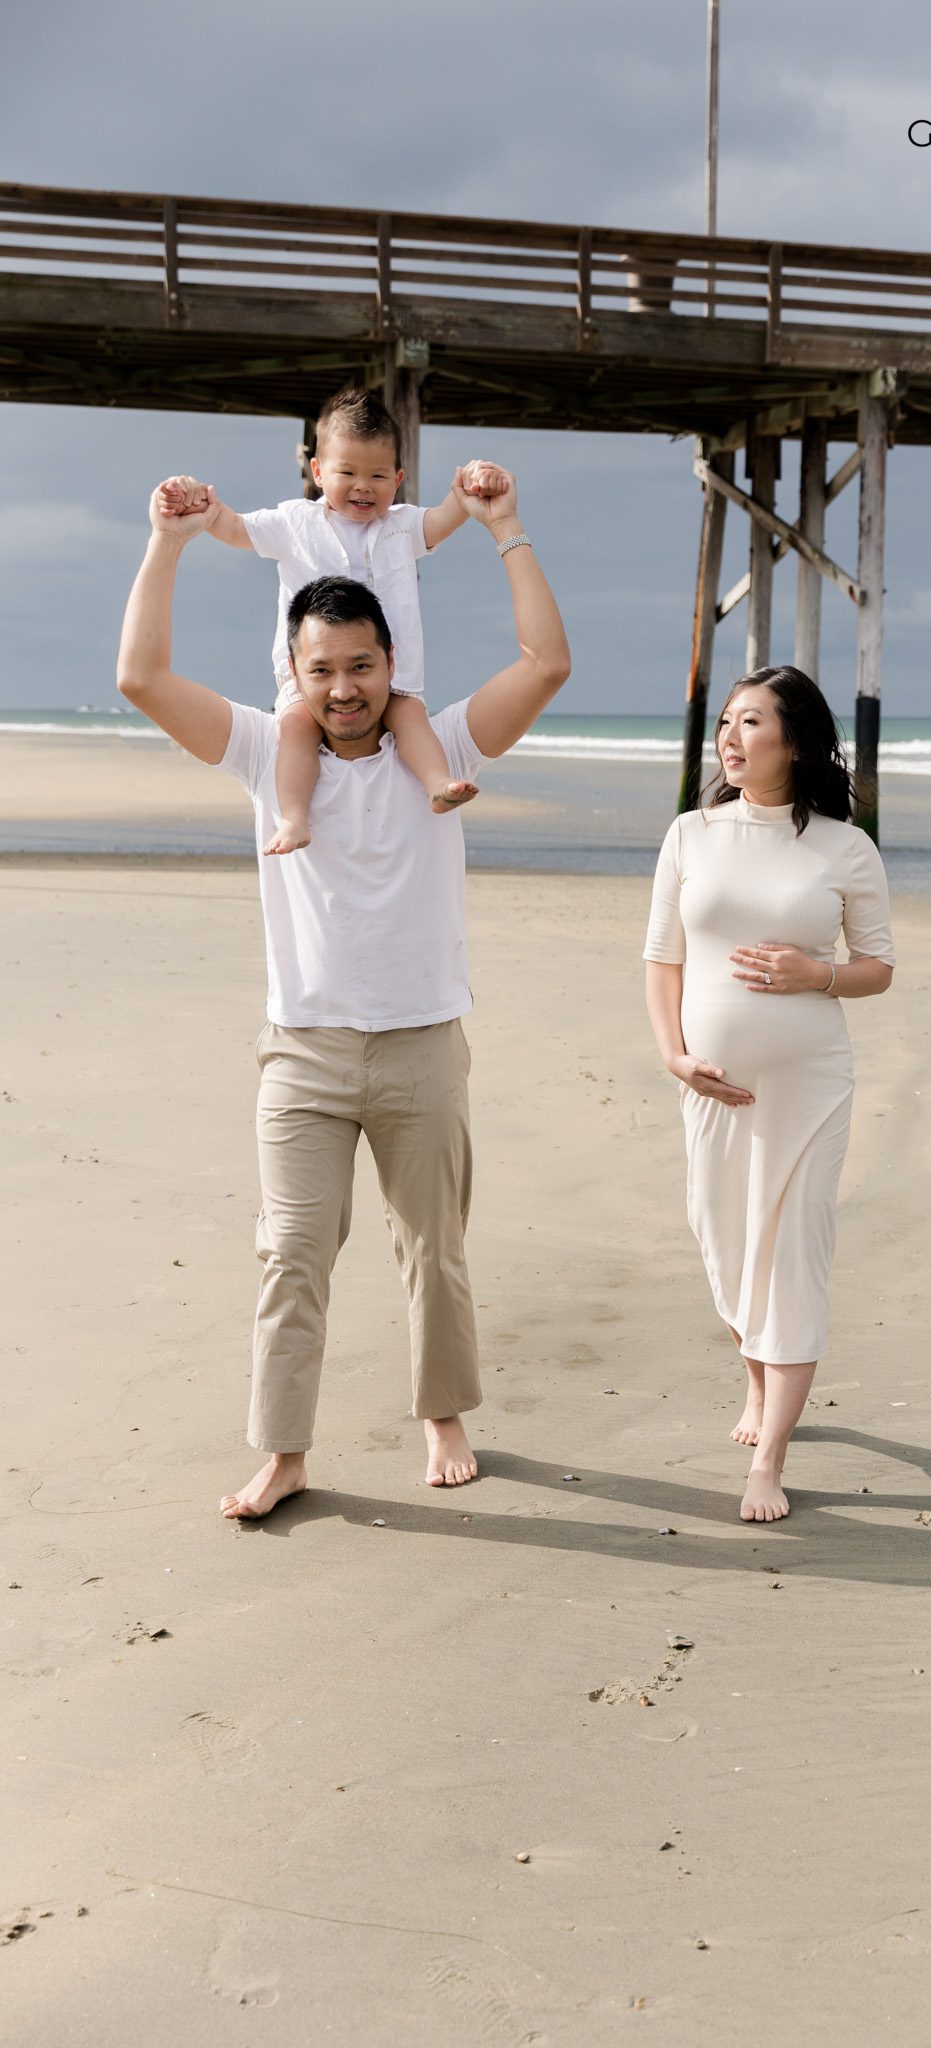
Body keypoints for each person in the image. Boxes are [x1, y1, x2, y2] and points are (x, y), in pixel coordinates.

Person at [116, 465, 569, 1520]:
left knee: (434, 1248)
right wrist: (168, 543)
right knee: (291, 1254)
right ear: (294, 670)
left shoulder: (442, 746)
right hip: (305, 1053)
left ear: (391, 662)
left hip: (420, 1045)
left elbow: (546, 663)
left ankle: (444, 1412)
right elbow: (141, 676)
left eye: (361, 665)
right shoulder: (255, 750)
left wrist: (504, 523)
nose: (344, 687)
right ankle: (283, 1449)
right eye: (322, 670)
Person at [643, 667, 895, 1523]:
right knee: (728, 1241)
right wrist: (673, 1056)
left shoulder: (843, 846)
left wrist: (814, 973)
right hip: (713, 1086)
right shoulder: (689, 834)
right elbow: (662, 960)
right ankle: (756, 1381)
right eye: (725, 721)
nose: (729, 735)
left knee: (790, 1252)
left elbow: (878, 968)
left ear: (793, 740)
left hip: (808, 1085)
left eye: (750, 721)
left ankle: (772, 1460)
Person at [163, 384, 510, 855]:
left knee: (411, 719)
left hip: (392, 674)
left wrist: (473, 484)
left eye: (378, 475)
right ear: (318, 472)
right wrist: (201, 504)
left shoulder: (402, 526)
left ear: (399, 479)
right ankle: (293, 818)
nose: (363, 486)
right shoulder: (294, 523)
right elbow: (236, 528)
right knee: (295, 731)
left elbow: (448, 517)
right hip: (311, 680)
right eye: (347, 472)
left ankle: (436, 783)